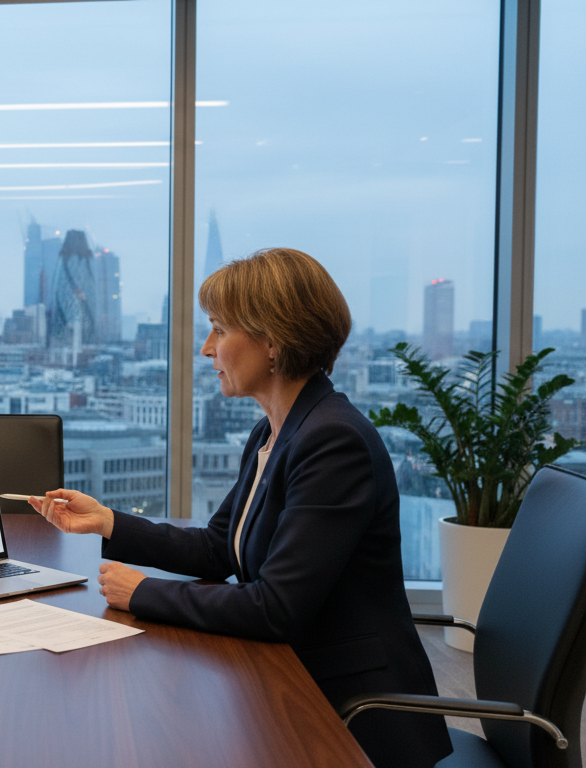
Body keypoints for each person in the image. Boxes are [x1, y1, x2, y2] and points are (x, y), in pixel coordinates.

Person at [29, 249, 452, 768]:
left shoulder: (332, 441)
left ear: (273, 341)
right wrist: (110, 521)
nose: (206, 349)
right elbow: (218, 547)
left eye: (219, 330)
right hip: (290, 682)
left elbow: (276, 608)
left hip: (350, 718)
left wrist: (144, 593)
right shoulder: (276, 429)